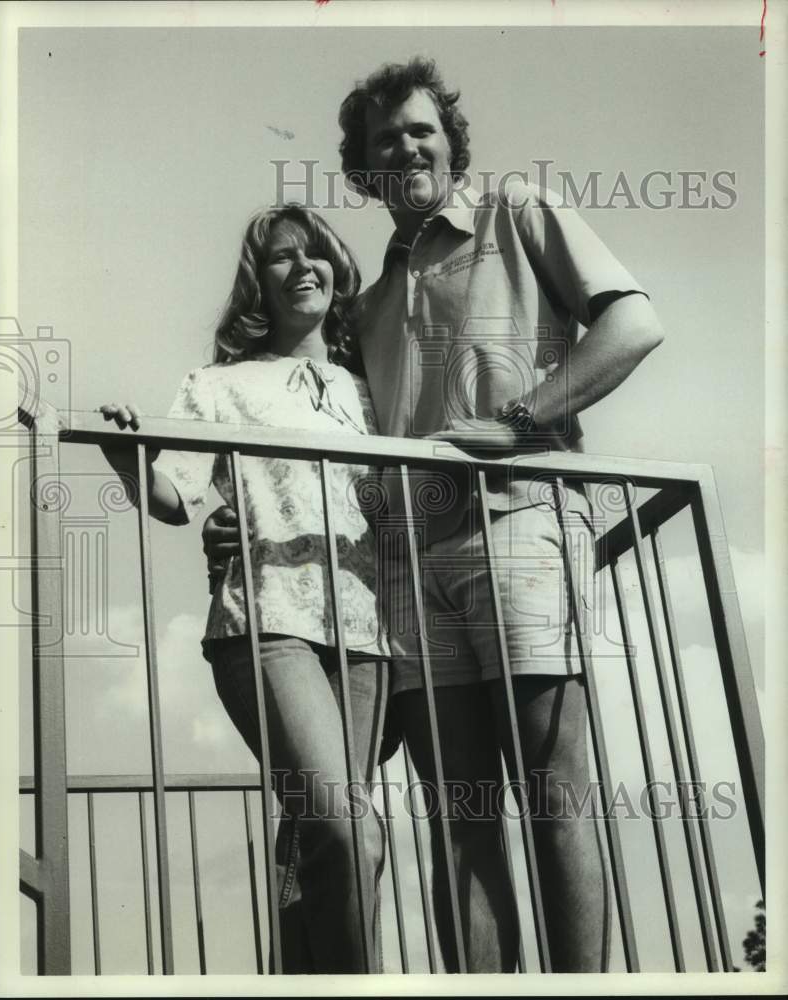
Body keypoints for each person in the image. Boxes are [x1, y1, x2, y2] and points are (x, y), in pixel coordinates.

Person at [204, 57, 665, 972]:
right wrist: (239, 515)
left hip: (520, 526)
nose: (405, 146)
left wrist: (523, 417)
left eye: (420, 130)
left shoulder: (517, 211)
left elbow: (633, 324)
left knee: (553, 789)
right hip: (407, 572)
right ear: (364, 168)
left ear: (450, 143)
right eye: (384, 139)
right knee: (460, 819)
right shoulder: (366, 304)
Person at [98, 205, 389, 974]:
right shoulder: (218, 386)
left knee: (311, 837)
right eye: (281, 259)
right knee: (347, 829)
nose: (302, 268)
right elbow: (174, 497)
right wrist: (127, 457)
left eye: (316, 253)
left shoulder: (373, 389)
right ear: (256, 283)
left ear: (337, 269)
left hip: (369, 636)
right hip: (267, 624)